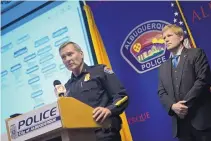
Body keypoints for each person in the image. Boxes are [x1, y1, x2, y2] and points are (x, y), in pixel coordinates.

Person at [58, 41, 129, 141]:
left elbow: (122, 96)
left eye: (70, 54)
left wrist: (109, 109)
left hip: (105, 135)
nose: (67, 59)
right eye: (63, 57)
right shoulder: (67, 87)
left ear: (81, 54)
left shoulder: (100, 71)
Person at [158, 24, 211, 141]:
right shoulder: (163, 67)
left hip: (202, 121)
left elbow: (203, 80)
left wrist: (184, 105)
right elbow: (161, 92)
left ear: (181, 37)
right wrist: (172, 106)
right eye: (164, 38)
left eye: (169, 35)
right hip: (181, 127)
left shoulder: (196, 54)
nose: (166, 39)